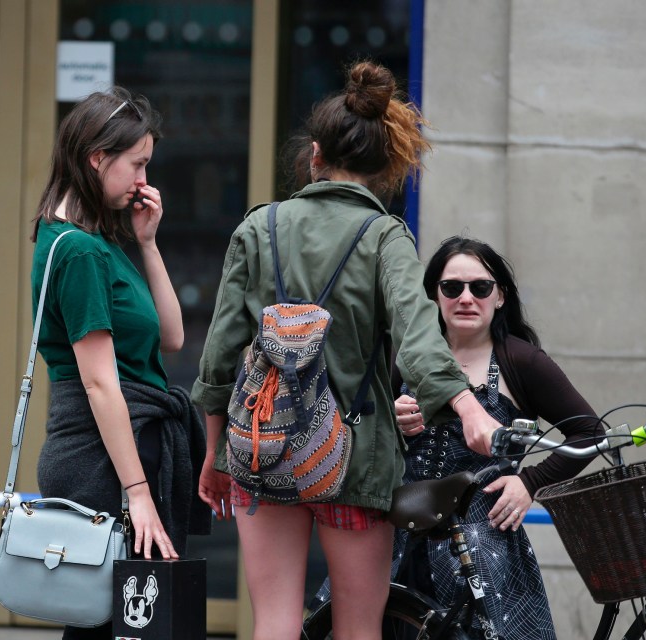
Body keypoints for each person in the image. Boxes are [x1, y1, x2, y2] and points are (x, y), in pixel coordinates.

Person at [192, 61, 504, 640]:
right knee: (359, 630)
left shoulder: (259, 228)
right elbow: (419, 342)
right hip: (353, 461)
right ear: (387, 167)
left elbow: (218, 357)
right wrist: (470, 410)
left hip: (265, 451)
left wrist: (214, 456)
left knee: (276, 625)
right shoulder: (385, 237)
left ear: (315, 154)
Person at [30, 87, 210, 640]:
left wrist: (148, 245)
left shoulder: (91, 242)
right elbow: (100, 382)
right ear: (97, 159)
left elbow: (174, 336)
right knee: (117, 628)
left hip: (111, 451)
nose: (143, 181)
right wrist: (138, 493)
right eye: (137, 164)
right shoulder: (79, 251)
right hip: (102, 461)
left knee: (112, 628)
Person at [387, 235, 603, 639]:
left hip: (482, 545)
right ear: (434, 296)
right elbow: (364, 433)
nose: (466, 298)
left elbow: (591, 433)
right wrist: (390, 422)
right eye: (452, 287)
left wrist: (530, 482)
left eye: (480, 287)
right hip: (397, 541)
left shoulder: (521, 360)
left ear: (499, 296)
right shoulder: (410, 357)